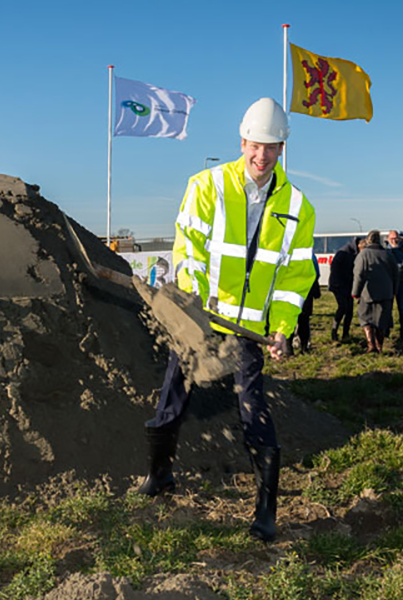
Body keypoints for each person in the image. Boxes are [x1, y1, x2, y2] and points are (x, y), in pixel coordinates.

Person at [136, 98, 316, 544]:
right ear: (243, 142)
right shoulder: (207, 185)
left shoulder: (297, 206)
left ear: (281, 149)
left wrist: (283, 327)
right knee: (171, 398)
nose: (262, 155)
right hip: (202, 321)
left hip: (249, 331)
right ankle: (159, 476)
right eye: (256, 145)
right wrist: (195, 296)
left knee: (253, 409)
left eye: (271, 147)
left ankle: (265, 513)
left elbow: (296, 276)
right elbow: (188, 245)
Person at [352, 231, 399, 353]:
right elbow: (396, 274)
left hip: (368, 293)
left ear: (368, 240)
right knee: (381, 321)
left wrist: (355, 292)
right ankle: (379, 346)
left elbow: (359, 274)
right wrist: (394, 290)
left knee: (365, 319)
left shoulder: (363, 255)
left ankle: (371, 344)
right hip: (386, 293)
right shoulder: (388, 254)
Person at [328, 237, 361, 342]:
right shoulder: (343, 253)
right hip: (339, 285)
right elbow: (334, 269)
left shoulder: (353, 253)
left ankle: (345, 334)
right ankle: (334, 330)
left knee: (349, 310)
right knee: (343, 307)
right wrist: (337, 284)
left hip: (348, 285)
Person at [295, 259, 321, 352]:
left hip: (290, 294)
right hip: (305, 295)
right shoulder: (309, 258)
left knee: (290, 322)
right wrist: (316, 292)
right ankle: (304, 346)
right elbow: (315, 274)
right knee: (304, 321)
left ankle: (288, 349)